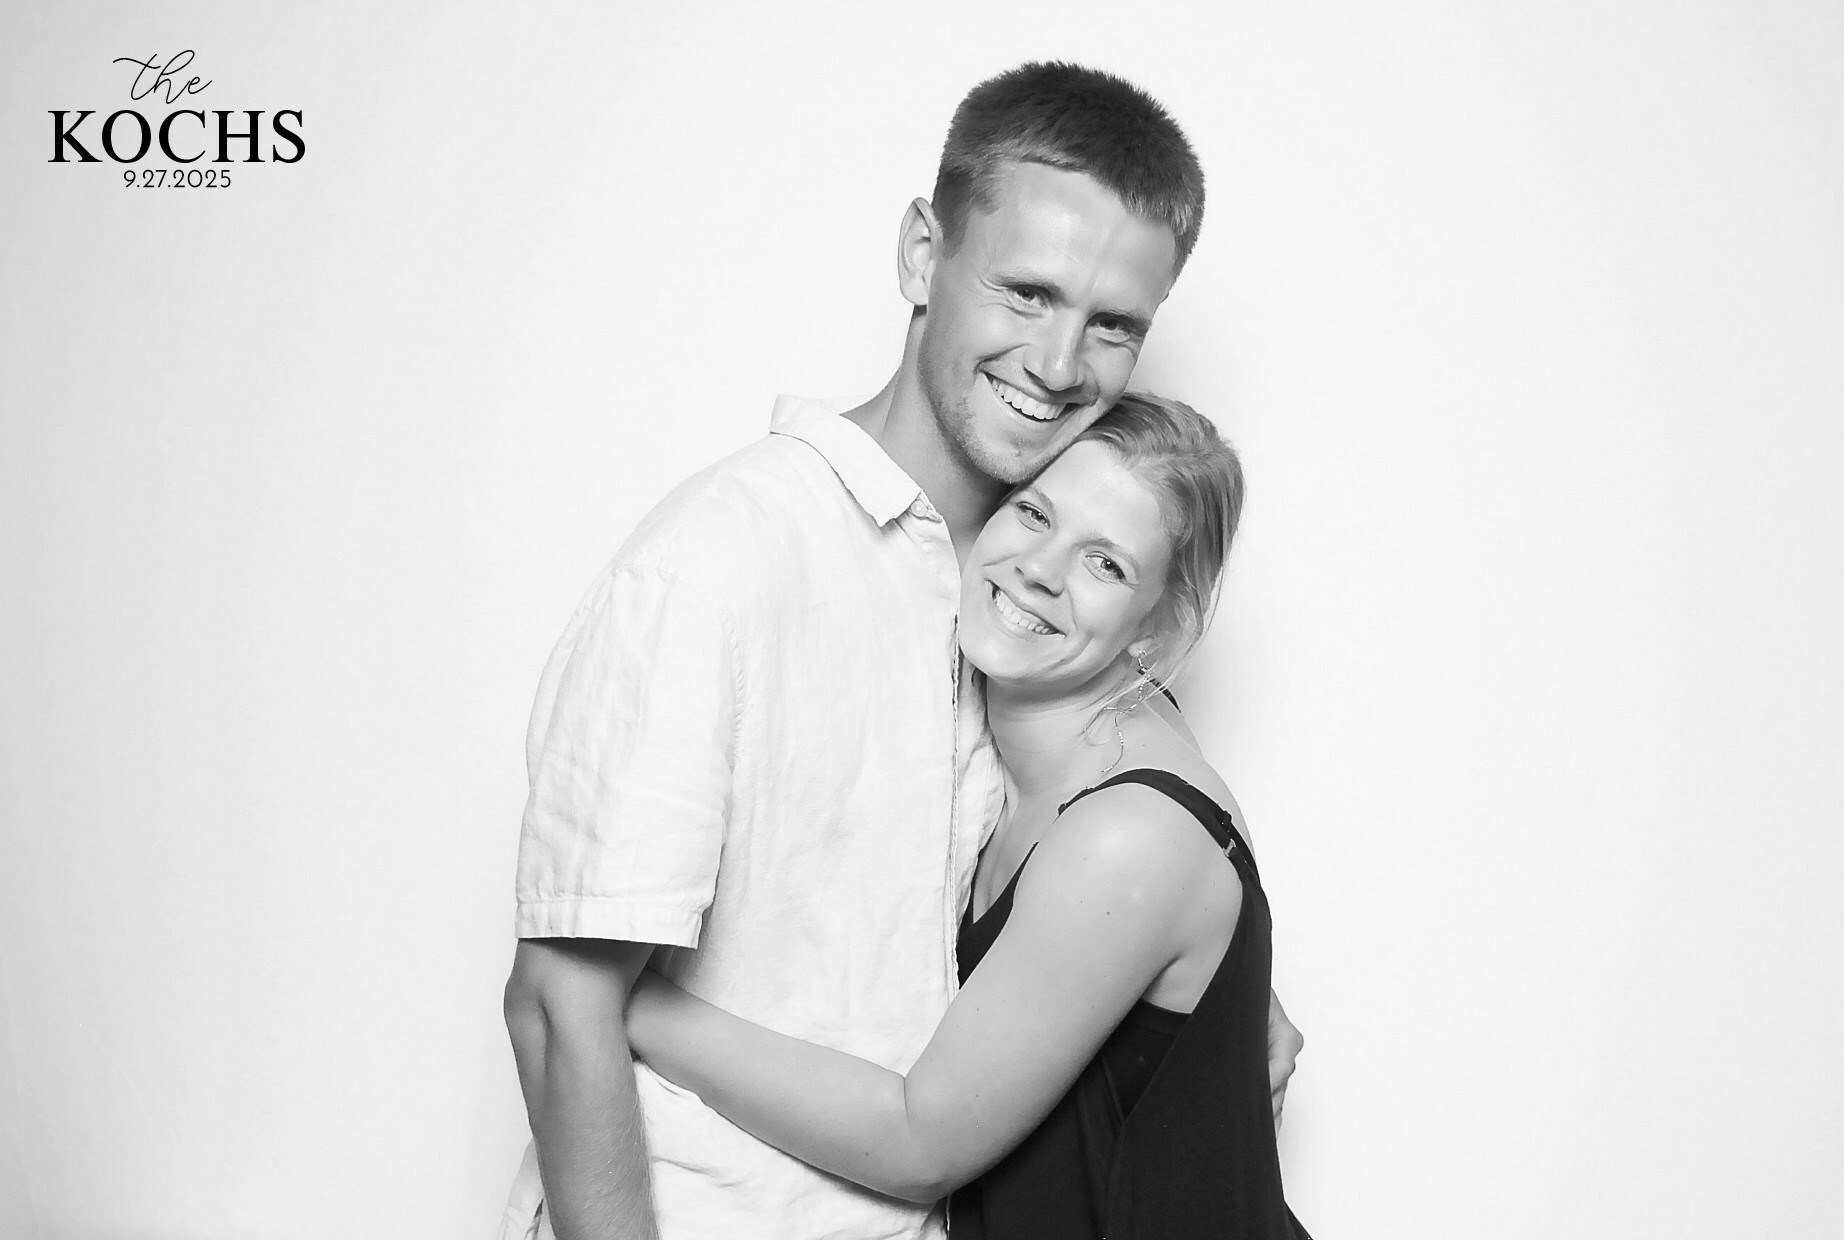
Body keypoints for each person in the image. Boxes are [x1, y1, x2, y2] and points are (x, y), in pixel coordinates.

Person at [498, 62, 1302, 1240]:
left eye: (1111, 324)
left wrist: (1223, 997)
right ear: (923, 255)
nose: (1058, 364)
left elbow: (1134, 808)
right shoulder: (715, 566)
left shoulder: (1011, 589)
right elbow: (558, 1004)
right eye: (1025, 291)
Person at [623, 394, 1309, 1239]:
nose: (1039, 569)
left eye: (1105, 564)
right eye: (1035, 513)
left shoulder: (1126, 837)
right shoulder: (1064, 738)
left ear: (1156, 630)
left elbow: (918, 1143)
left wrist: (620, 1000)